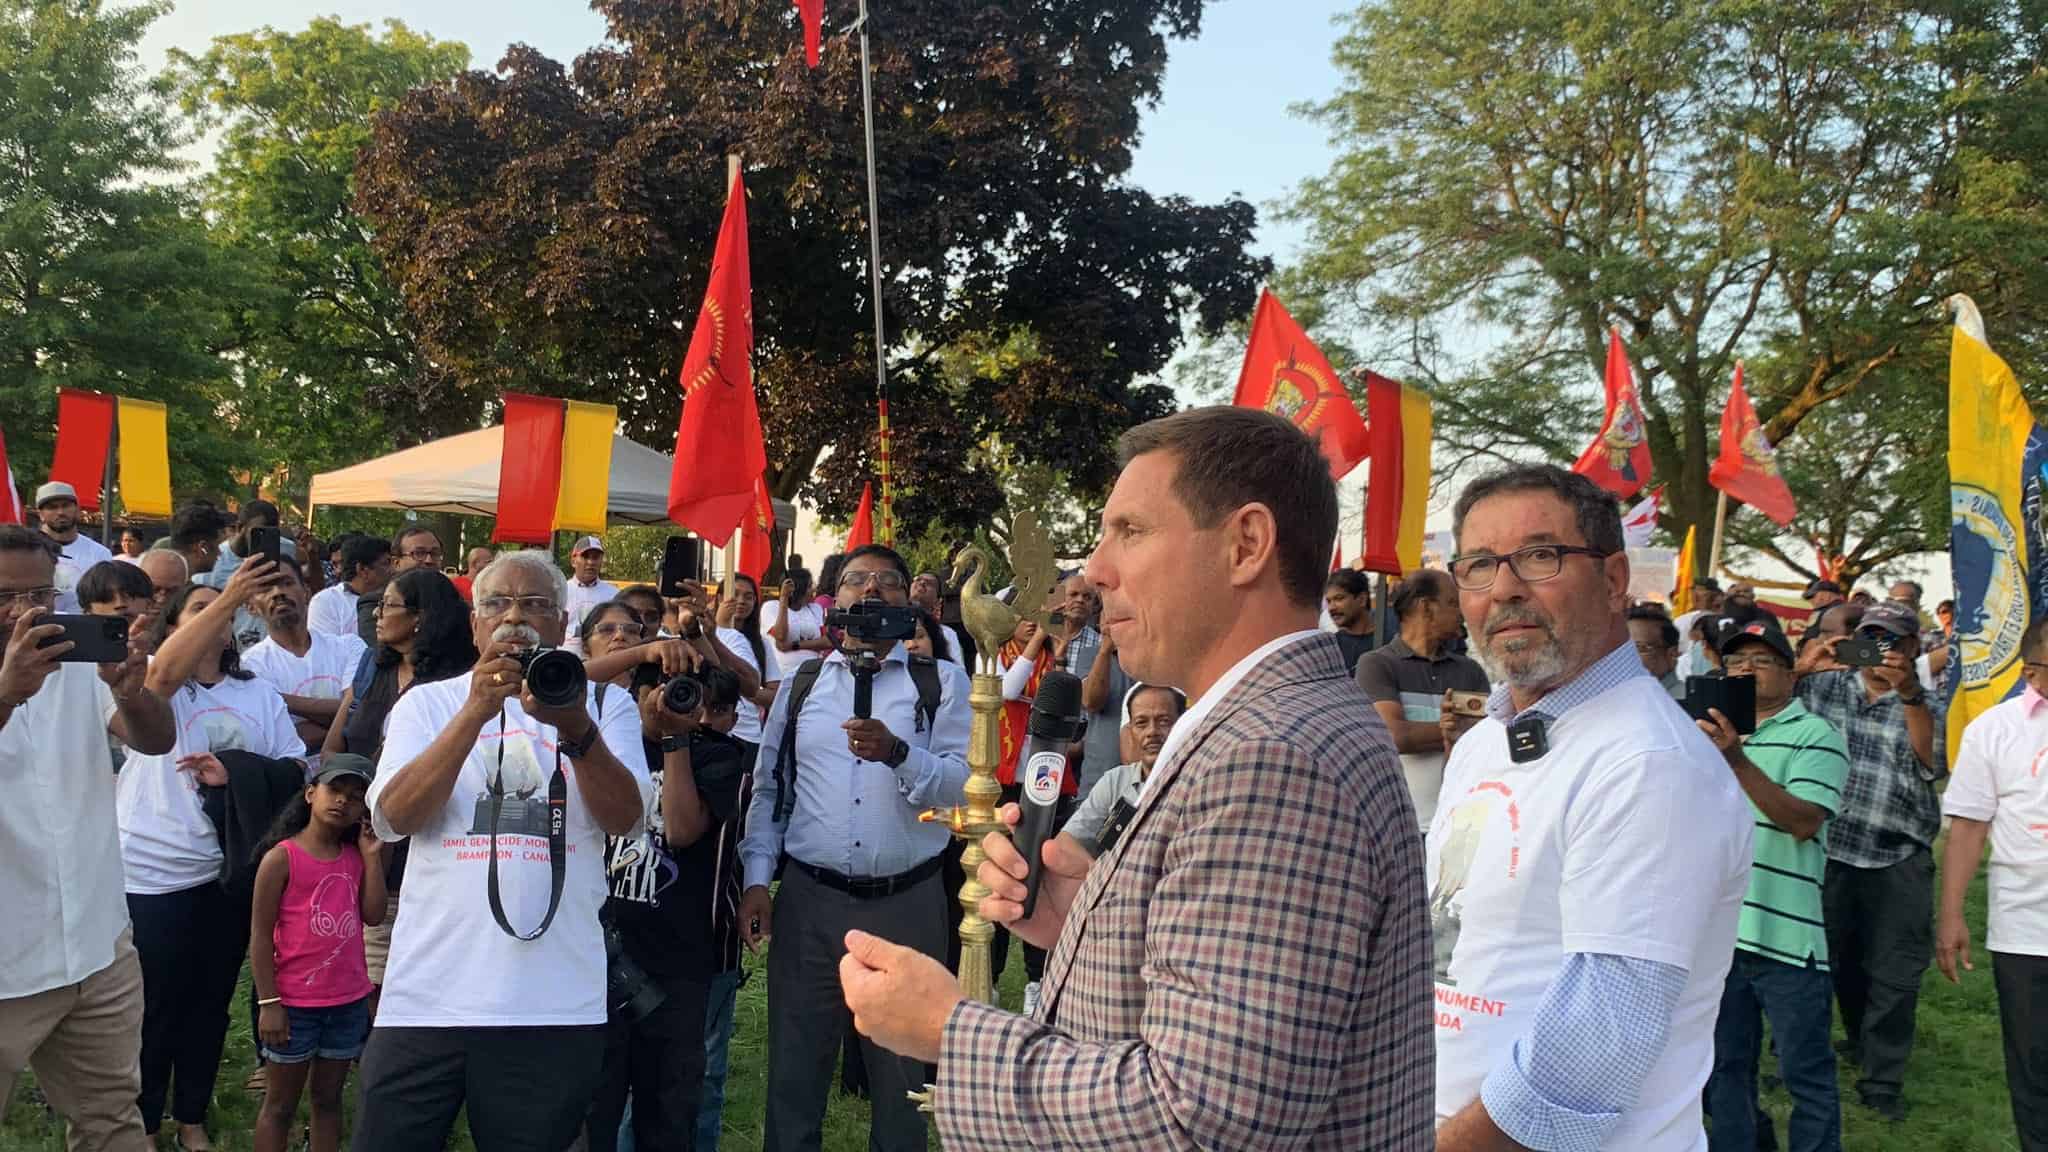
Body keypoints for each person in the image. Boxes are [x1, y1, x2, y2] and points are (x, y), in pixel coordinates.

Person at [840, 407, 1434, 1149]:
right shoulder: (1271, 723)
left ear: (1245, 544)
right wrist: (1090, 922)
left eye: (1131, 531)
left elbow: (1199, 1118)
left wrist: (952, 1034)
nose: (1094, 568)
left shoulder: (1274, 757)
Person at [1424, 463, 1751, 1150]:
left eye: (1540, 556)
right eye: (1480, 565)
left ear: (1613, 580)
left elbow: (1595, 1042)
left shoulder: (1647, 763)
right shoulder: (1489, 741)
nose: (1505, 587)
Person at [351, 551, 652, 1152]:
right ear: (475, 624)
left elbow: (627, 820)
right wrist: (474, 713)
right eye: (497, 604)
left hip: (554, 1001)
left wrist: (575, 728)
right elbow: (391, 819)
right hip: (427, 998)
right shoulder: (429, 704)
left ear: (563, 623)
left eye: (535, 604)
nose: (515, 616)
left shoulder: (603, 705)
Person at [737, 543, 971, 1152]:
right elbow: (771, 788)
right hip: (811, 903)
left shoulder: (941, 681)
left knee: (902, 1084)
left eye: (888, 581)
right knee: (795, 1069)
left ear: (910, 601)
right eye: (856, 580)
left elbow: (962, 786)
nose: (871, 590)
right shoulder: (801, 683)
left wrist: (899, 753)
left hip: (907, 902)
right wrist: (759, 878)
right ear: (832, 598)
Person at [0, 526, 174, 1151]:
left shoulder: (75, 660)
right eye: (5, 595)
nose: (25, 611)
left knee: (112, 1121)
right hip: (6, 963)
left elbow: (155, 740)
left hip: (96, 946)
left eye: (40, 593)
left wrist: (131, 692)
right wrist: (6, 693)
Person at [127, 565, 305, 1149]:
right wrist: (227, 593)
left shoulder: (256, 690)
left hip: (228, 869)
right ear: (178, 626)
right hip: (155, 871)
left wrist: (239, 772)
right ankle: (145, 1121)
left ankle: (192, 1117)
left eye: (224, 614)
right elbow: (160, 678)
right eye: (199, 610)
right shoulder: (159, 682)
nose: (216, 619)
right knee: (157, 1007)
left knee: (209, 1005)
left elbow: (296, 766)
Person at [583, 628, 748, 1152]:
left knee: (667, 1113)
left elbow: (679, 829)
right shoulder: (602, 748)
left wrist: (675, 739)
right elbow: (554, 689)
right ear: (632, 693)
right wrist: (640, 655)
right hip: (599, 956)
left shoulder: (718, 756)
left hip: (678, 964)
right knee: (593, 1108)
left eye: (684, 691)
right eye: (656, 688)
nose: (667, 700)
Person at [1697, 618, 1849, 1152]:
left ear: (1790, 674)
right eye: (1736, 663)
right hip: (1722, 939)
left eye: (1761, 662)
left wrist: (1735, 759)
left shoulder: (1817, 735)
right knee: (1724, 1071)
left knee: (1806, 1076)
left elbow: (1803, 820)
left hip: (1788, 941)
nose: (1746, 671)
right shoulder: (1703, 739)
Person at [1791, 599, 1938, 1120]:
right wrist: (1801, 667)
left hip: (1899, 854)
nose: (1883, 652)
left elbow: (1931, 759)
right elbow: (1758, 707)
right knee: (1842, 965)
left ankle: (1882, 1082)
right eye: (1872, 639)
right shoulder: (1824, 687)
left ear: (1914, 649)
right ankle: (1857, 1041)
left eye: (1895, 641)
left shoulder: (1929, 702)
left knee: (1896, 973)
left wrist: (1909, 694)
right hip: (1831, 851)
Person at [322, 569, 478, 1014]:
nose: (376, 615)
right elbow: (340, 738)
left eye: (388, 605)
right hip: (358, 826)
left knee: (408, 971)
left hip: (425, 842)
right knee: (358, 968)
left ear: (419, 618)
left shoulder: (459, 683)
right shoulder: (374, 665)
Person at [1938, 617, 2048, 1152]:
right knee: (2034, 1074)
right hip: (2026, 932)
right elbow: (1969, 825)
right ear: (2032, 669)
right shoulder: (1995, 729)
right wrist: (1952, 914)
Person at [249, 755, 386, 1152]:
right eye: (334, 790)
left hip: (346, 1002)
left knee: (328, 1101)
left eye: (355, 796)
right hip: (293, 1005)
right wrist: (269, 1002)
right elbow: (259, 936)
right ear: (311, 793)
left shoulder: (355, 858)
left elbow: (373, 915)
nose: (342, 801)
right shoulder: (282, 858)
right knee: (280, 1106)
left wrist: (373, 856)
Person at [1355, 568, 1490, 831]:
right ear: (1426, 608)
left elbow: (1488, 740)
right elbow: (1394, 737)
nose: (1460, 611)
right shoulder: (1377, 665)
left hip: (1460, 824)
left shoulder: (1469, 671)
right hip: (1399, 828)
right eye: (1452, 602)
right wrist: (1453, 729)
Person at [242, 555, 370, 763]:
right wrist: (344, 718)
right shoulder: (249, 666)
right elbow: (276, 738)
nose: (278, 593)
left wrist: (278, 699)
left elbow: (363, 712)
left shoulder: (349, 647)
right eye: (265, 588)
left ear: (307, 592)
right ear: (250, 607)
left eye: (287, 583)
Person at [1059, 682, 1184, 856]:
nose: (1152, 731)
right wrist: (1097, 875)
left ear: (1183, 724)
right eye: (1141, 723)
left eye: (1164, 722)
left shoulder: (1199, 781)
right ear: (1130, 731)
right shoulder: (1115, 780)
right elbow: (1067, 841)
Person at [36, 481, 116, 611]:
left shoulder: (100, 554)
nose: (60, 512)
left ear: (77, 509)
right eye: (52, 507)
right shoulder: (27, 550)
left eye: (66, 505)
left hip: (82, 627)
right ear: (40, 514)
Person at [310, 536, 390, 639]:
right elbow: (325, 650)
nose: (392, 569)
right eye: (386, 563)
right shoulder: (326, 601)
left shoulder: (394, 599)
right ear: (362, 570)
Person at [762, 565, 830, 677]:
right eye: (809, 586)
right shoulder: (771, 607)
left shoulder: (815, 608)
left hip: (812, 673)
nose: (814, 589)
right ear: (798, 589)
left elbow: (826, 641)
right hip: (782, 674)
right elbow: (780, 635)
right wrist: (784, 599)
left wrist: (794, 645)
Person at [562, 535, 620, 653]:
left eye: (595, 557)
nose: (591, 562)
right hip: (566, 658)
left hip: (601, 660)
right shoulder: (560, 591)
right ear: (573, 561)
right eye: (585, 556)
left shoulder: (614, 594)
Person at [909, 571, 968, 666]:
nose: (922, 583)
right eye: (918, 579)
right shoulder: (891, 622)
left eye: (930, 583)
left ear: (937, 600)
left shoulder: (947, 634)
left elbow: (957, 671)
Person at [165, 502, 230, 588]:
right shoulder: (174, 590)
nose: (219, 553)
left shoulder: (156, 577)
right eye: (218, 546)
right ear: (203, 548)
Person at [1325, 567, 1377, 671]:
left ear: (1362, 599)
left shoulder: (1388, 641)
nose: (1331, 607)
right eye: (1329, 601)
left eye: (1339, 598)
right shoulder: (1330, 648)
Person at [1630, 603, 1686, 698]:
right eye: (1625, 649)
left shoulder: (1683, 702)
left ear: (1672, 654)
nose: (1628, 656)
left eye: (1640, 648)